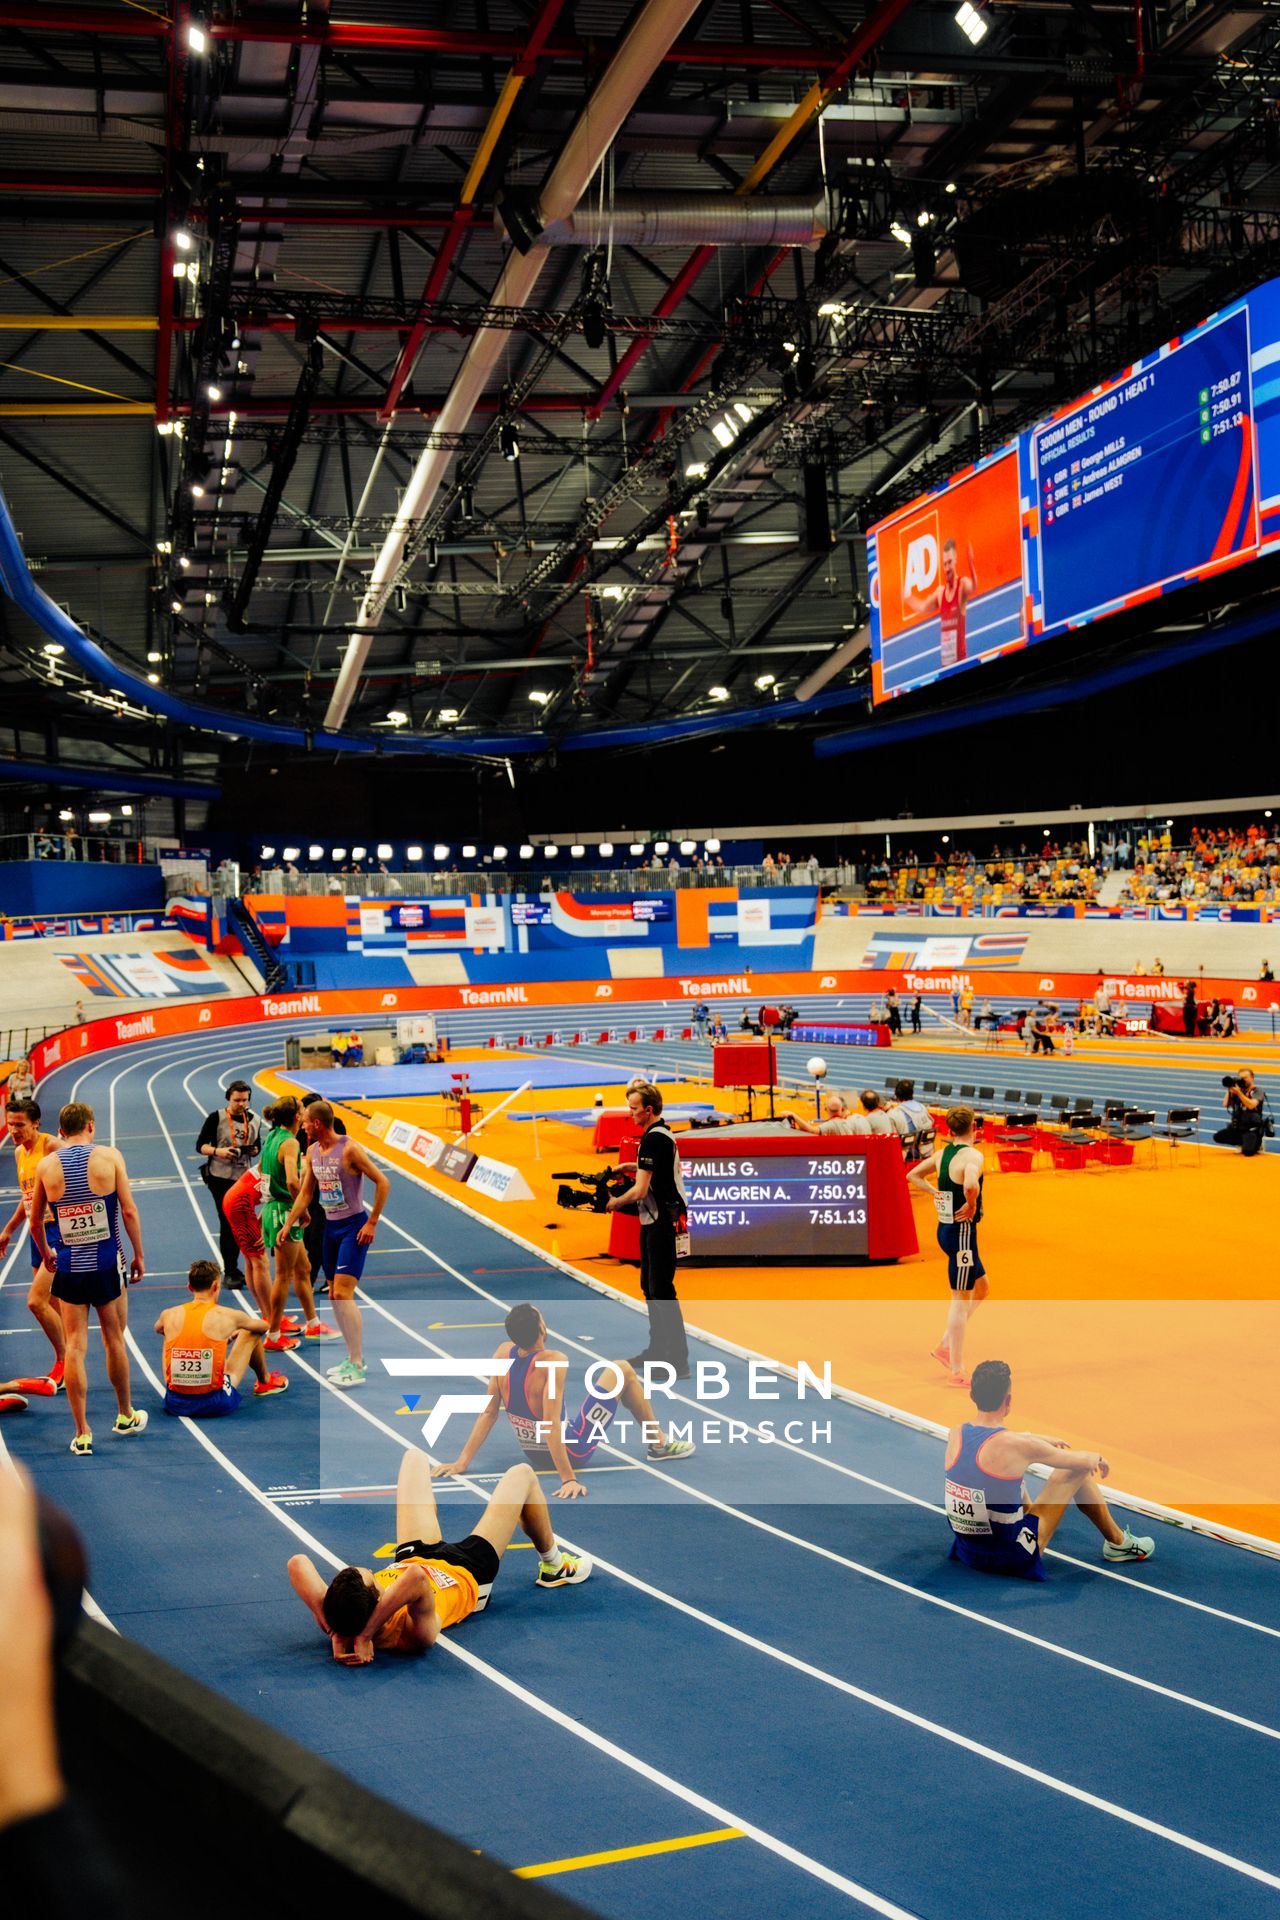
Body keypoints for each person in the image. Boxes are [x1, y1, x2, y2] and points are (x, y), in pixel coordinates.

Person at [286, 1446, 592, 1664]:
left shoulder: (339, 1616)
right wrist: (366, 1633)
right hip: (468, 1572)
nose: (371, 1571)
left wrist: (333, 1630)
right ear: (379, 1600)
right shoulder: (409, 1633)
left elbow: (297, 1563)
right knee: (522, 1474)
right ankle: (554, 1564)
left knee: (414, 1457)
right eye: (373, 1578)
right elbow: (416, 1581)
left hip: (415, 1554)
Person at [433, 1302, 695, 1498]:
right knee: (622, 1370)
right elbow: (551, 1424)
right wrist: (568, 1479)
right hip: (573, 1449)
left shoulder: (502, 1353)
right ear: (541, 1328)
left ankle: (657, 1442)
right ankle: (658, 1443)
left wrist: (462, 1461)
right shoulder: (554, 1361)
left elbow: (489, 1413)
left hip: (533, 1453)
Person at [944, 1359, 1155, 1578]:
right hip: (1008, 1557)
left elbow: (999, 1442)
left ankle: (1029, 1516)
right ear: (1008, 1400)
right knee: (1073, 1471)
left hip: (967, 1551)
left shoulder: (955, 1434)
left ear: (972, 1396)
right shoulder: (1019, 1446)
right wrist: (1096, 1457)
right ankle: (1118, 1543)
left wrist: (1032, 1439)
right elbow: (1081, 1461)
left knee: (1001, 1475)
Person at [28, 1102, 147, 1455]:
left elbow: (35, 1222)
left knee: (75, 1346)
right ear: (91, 1126)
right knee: (114, 1340)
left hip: (68, 1266)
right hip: (107, 1263)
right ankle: (125, 1414)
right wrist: (138, 1253)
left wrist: (46, 1252)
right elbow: (127, 1209)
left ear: (60, 1131)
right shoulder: (109, 1157)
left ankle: (82, 1432)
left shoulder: (46, 1165)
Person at [275, 1100, 390, 1388]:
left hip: (353, 1227)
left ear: (317, 1124)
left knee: (342, 1293)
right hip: (331, 1229)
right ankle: (352, 1357)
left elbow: (383, 1182)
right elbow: (305, 1193)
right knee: (333, 1297)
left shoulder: (349, 1148)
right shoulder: (313, 1151)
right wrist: (289, 1223)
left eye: (305, 1123)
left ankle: (358, 1360)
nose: (301, 1127)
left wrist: (372, 1221)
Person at [605, 1083, 690, 1379]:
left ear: (648, 1110)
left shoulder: (654, 1140)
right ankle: (658, 1351)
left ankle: (678, 1361)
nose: (630, 1114)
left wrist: (615, 1202)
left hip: (661, 1223)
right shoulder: (660, 1135)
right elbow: (653, 1171)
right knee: (649, 1287)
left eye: (633, 1108)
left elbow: (640, 1190)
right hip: (654, 1221)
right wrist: (627, 1165)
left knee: (662, 1291)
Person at [907, 1106, 988, 1390]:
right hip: (962, 1233)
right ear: (974, 1127)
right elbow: (970, 1183)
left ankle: (945, 1344)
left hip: (945, 1229)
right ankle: (956, 1368)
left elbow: (913, 1176)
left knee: (982, 1289)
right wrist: (972, 1203)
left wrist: (935, 1192)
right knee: (959, 1298)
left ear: (950, 1130)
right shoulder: (973, 1156)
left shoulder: (942, 1155)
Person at [155, 1259, 288, 1415]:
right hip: (215, 1402)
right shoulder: (229, 1316)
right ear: (216, 1286)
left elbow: (158, 1328)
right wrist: (232, 1332)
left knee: (169, 1334)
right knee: (250, 1331)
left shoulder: (169, 1313)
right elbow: (264, 1327)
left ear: (190, 1287)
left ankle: (185, 1382)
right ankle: (265, 1381)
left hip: (175, 1402)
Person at [258, 1095, 336, 1344]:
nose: (304, 1112)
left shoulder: (272, 1136)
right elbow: (292, 1181)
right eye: (302, 1109)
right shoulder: (290, 1142)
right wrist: (301, 1209)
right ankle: (273, 1334)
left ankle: (312, 1323)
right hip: (284, 1212)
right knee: (283, 1276)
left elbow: (261, 1169)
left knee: (304, 1269)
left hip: (274, 1208)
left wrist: (268, 1199)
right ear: (296, 1116)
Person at [0, 1101, 64, 1389]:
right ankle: (68, 1362)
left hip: (58, 1233)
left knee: (35, 1301)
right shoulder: (18, 1152)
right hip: (36, 1234)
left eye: (19, 1125)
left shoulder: (51, 1147)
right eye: (10, 1124)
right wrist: (9, 1230)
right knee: (52, 1304)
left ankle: (64, 1362)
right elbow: (29, 1198)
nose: (13, 1130)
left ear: (36, 1123)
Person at [196, 1080, 261, 1286]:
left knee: (243, 1222)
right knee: (227, 1223)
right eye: (236, 1100)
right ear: (228, 1099)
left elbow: (258, 1147)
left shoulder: (255, 1120)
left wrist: (250, 1150)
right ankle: (231, 1270)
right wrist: (219, 1151)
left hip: (243, 1178)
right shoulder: (216, 1118)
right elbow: (200, 1146)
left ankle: (246, 1265)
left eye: (244, 1100)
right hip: (220, 1177)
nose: (241, 1104)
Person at [297, 1093, 346, 1291]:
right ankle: (329, 1274)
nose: (301, 1118)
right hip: (309, 1186)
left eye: (304, 1114)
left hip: (329, 1188)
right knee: (309, 1236)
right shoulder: (301, 1131)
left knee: (319, 1236)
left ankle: (315, 1278)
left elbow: (339, 1151)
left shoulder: (337, 1125)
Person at [926, 536, 977, 670]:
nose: (947, 567)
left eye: (949, 562)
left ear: (955, 561)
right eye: (944, 563)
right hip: (946, 668)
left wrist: (971, 565)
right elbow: (923, 606)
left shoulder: (962, 585)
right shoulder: (941, 592)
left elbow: (974, 587)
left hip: (962, 664)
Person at [1214, 1068, 1267, 1155]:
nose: (1243, 1080)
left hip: (1251, 1129)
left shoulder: (1257, 1090)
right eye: (1241, 1078)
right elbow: (1225, 1104)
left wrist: (1239, 1093)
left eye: (1245, 1077)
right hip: (1238, 1127)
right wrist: (1230, 1088)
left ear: (1252, 1078)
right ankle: (1242, 1142)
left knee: (1248, 1152)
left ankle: (1258, 1142)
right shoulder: (1237, 1090)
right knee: (1218, 1137)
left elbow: (1251, 1105)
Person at [789, 1091, 870, 1137]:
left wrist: (794, 1115)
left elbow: (811, 1130)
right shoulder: (849, 1122)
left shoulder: (831, 1125)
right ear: (841, 1109)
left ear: (826, 1109)